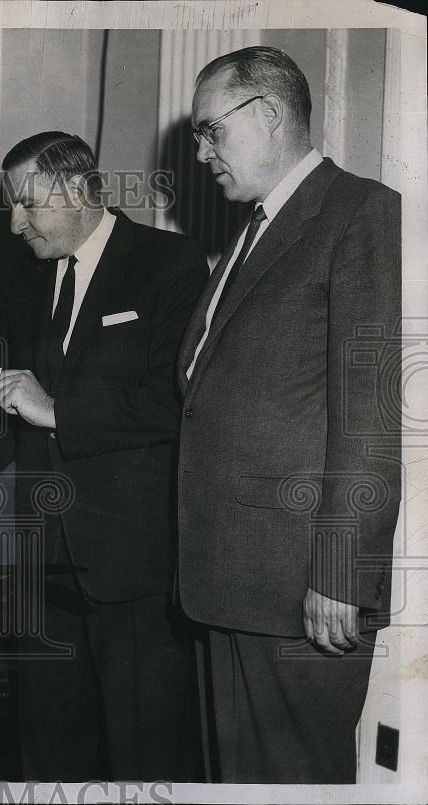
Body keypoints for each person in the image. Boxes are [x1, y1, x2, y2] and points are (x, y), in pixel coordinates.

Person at [177, 46, 401, 783]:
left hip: (302, 587)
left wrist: (341, 568)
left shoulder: (361, 212)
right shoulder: (252, 229)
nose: (203, 152)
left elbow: (370, 413)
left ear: (269, 113)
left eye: (212, 130)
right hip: (229, 577)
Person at [0, 132, 208, 781]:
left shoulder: (169, 262)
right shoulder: (26, 281)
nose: (14, 221)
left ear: (81, 191)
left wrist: (56, 410)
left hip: (130, 574)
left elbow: (174, 404)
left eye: (27, 203)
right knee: (49, 758)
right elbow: (5, 405)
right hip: (42, 572)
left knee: (145, 760)